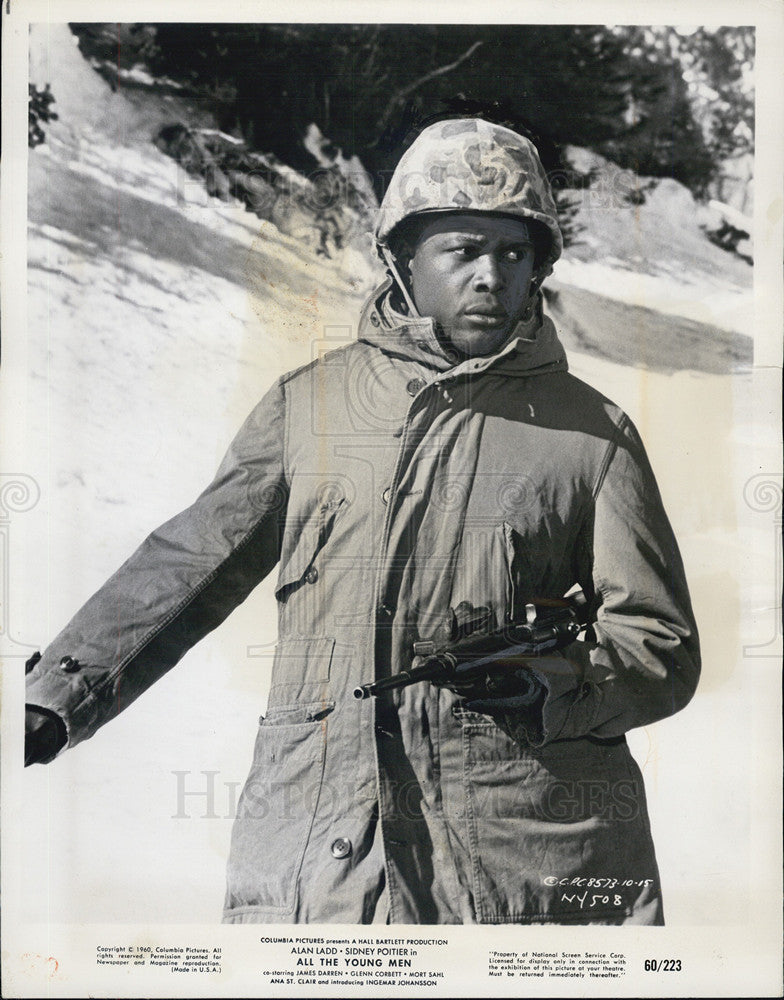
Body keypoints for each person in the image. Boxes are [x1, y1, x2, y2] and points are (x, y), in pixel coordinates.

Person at [25, 117, 700, 925]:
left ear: (538, 270)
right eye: (462, 249)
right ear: (403, 260)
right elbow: (192, 562)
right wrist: (57, 694)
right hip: (325, 854)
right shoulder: (307, 406)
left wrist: (551, 685)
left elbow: (659, 644)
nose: (490, 275)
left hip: (525, 865)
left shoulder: (592, 434)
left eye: (513, 253)